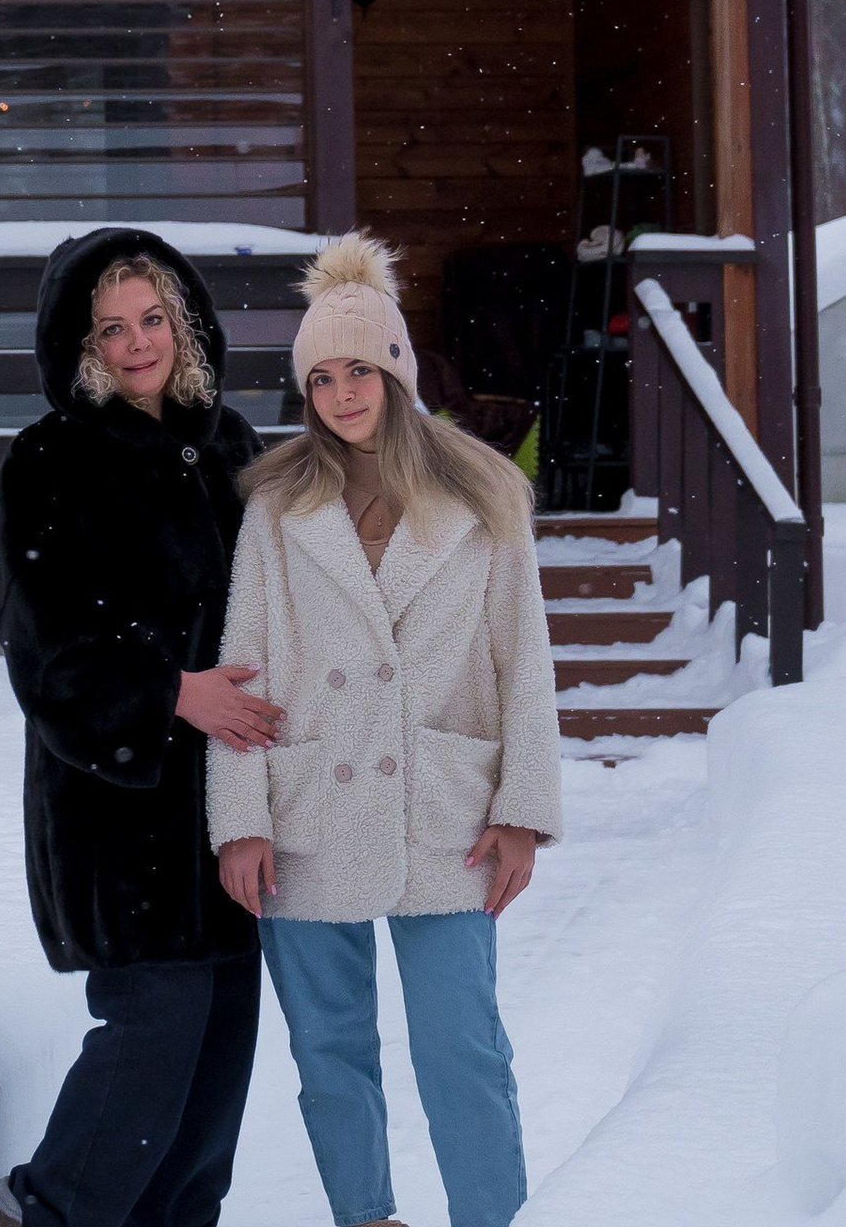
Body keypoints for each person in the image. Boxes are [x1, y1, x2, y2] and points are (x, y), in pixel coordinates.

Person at [208, 232, 562, 1227]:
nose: (340, 394)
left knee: (462, 1046)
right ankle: (365, 1217)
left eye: (357, 369)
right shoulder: (277, 505)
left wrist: (524, 810)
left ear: (397, 370)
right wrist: (240, 820)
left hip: (444, 804)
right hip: (307, 802)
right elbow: (242, 667)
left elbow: (524, 663)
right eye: (319, 378)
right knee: (329, 1051)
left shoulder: (483, 495)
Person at [0, 225, 284, 1227]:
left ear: (182, 323)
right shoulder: (49, 461)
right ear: (84, 347)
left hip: (230, 808)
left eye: (151, 318)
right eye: (111, 328)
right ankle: (44, 1212)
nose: (137, 342)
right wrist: (170, 694)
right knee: (152, 1037)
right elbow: (46, 653)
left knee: (217, 1063)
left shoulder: (234, 449)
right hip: (119, 818)